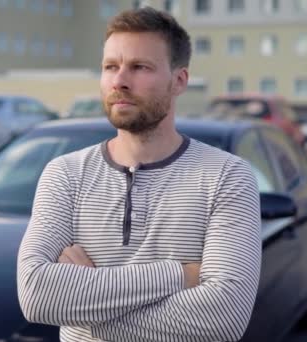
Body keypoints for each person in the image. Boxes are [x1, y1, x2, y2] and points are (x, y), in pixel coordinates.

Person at [17, 7, 261, 342]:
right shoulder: (65, 175)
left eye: (140, 67)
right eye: (110, 67)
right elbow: (36, 295)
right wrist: (179, 275)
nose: (119, 80)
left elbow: (223, 318)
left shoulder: (226, 177)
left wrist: (82, 308)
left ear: (179, 81)